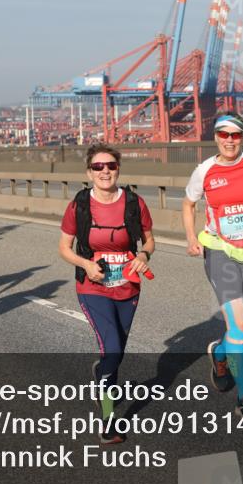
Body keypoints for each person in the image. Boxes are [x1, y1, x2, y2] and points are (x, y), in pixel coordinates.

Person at [182, 114, 243, 422]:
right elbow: (188, 203)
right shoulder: (205, 171)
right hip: (219, 250)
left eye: (235, 135)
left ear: (242, 137)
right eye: (224, 134)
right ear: (215, 136)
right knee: (238, 326)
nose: (229, 140)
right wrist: (191, 238)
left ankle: (220, 353)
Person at [58, 143, 154, 445]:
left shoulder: (134, 203)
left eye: (110, 165)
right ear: (89, 172)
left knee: (116, 354)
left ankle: (102, 371)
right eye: (98, 167)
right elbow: (63, 248)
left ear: (118, 169)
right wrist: (86, 263)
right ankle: (109, 420)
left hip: (127, 286)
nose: (105, 171)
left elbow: (149, 241)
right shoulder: (79, 205)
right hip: (93, 287)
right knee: (112, 348)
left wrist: (144, 256)